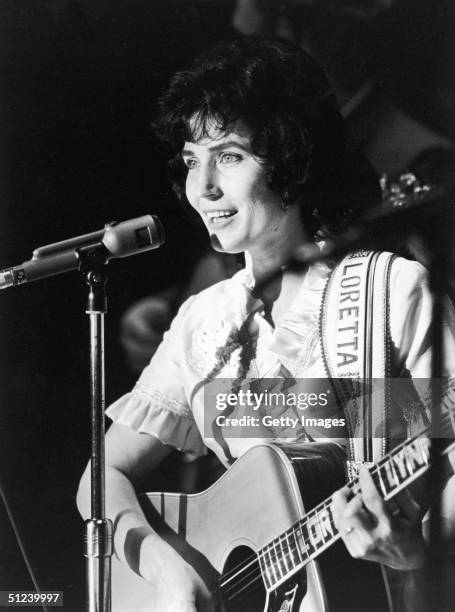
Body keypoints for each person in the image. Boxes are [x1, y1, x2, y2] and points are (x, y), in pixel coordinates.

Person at [77, 37, 455, 611]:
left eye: (228, 156)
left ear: (290, 158)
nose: (202, 187)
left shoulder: (388, 291)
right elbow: (101, 477)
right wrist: (165, 570)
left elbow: (443, 462)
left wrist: (417, 553)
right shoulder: (203, 324)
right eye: (190, 161)